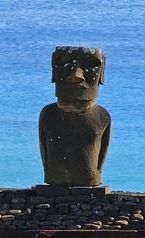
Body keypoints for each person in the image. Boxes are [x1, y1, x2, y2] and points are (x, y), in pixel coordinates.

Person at [38, 46, 111, 187]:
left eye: (90, 65)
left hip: (90, 180)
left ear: (102, 71)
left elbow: (102, 153)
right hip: (54, 179)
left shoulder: (102, 116)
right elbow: (44, 151)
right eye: (64, 63)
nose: (76, 75)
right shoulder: (48, 114)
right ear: (53, 69)